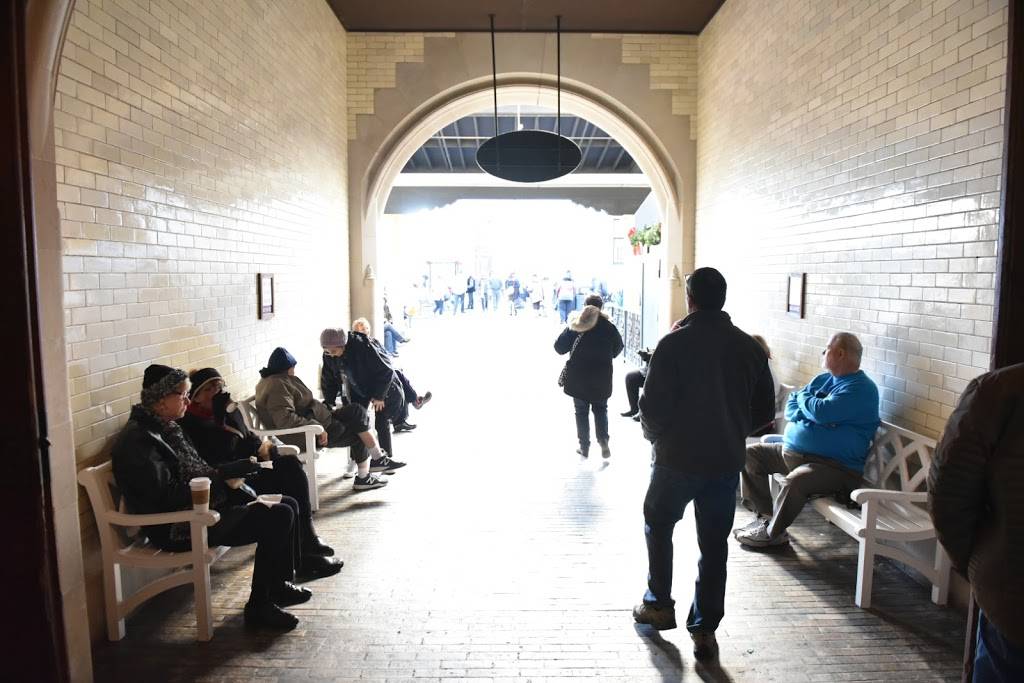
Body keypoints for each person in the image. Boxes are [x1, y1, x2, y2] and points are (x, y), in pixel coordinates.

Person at [632, 267, 775, 663]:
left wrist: (654, 437)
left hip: (675, 459)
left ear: (690, 299)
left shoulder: (673, 344)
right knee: (713, 546)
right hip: (724, 461)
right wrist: (733, 429)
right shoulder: (749, 348)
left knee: (658, 525)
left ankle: (658, 604)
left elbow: (652, 407)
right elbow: (765, 411)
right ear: (723, 299)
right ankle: (705, 629)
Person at [112, 364, 309, 630]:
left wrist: (228, 472)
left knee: (287, 503)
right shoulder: (140, 442)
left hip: (199, 509)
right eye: (182, 395)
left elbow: (198, 471)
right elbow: (164, 497)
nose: (187, 400)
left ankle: (278, 585)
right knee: (278, 515)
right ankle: (259, 606)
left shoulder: (165, 427)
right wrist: (222, 476)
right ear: (160, 399)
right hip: (178, 526)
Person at [179, 367, 343, 579]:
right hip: (230, 484)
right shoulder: (190, 423)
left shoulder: (228, 412)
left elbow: (250, 440)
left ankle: (308, 538)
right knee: (284, 495)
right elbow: (215, 458)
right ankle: (303, 556)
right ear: (196, 397)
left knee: (290, 465)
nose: (217, 392)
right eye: (209, 389)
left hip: (248, 470)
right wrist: (221, 423)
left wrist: (262, 449)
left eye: (219, 386)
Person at [734, 332, 880, 549]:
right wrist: (811, 411)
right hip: (795, 454)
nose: (823, 352)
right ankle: (765, 519)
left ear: (840, 353)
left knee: (796, 481)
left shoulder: (861, 389)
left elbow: (821, 412)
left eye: (827, 348)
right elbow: (792, 409)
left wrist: (805, 400)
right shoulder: (823, 379)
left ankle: (774, 534)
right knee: (749, 455)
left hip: (835, 467)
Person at [929, 363, 1024, 682]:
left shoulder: (1001, 389)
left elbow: (948, 493)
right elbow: (951, 491)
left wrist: (978, 562)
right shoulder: (1001, 392)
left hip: (1012, 600)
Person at [254, 347, 392, 490]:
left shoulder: (276, 380)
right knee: (359, 433)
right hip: (311, 432)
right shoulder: (277, 386)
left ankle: (377, 459)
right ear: (286, 368)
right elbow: (285, 420)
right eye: (292, 367)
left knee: (356, 410)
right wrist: (318, 428)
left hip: (321, 419)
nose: (294, 370)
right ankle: (364, 477)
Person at [320, 328, 410, 473]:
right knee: (357, 421)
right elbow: (328, 379)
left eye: (334, 351)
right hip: (357, 387)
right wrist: (329, 401)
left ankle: (384, 460)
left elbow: (386, 370)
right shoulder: (329, 354)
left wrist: (379, 396)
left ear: (344, 345)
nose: (331, 355)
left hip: (381, 385)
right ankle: (357, 460)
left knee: (382, 421)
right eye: (327, 352)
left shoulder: (363, 347)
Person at [554, 294, 624, 459]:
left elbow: (559, 347)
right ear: (601, 308)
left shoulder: (577, 324)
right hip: (602, 377)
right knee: (601, 409)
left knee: (581, 411)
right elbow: (618, 348)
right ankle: (603, 441)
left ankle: (584, 447)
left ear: (584, 306)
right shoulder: (609, 327)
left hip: (578, 379)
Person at [350, 318, 432, 432]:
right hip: (374, 379)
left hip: (383, 373)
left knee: (398, 376)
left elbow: (385, 357)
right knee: (396, 377)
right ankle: (414, 402)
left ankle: (405, 414)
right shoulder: (362, 347)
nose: (366, 331)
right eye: (362, 329)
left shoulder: (373, 341)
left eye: (367, 328)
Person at [620, 348, 652, 420]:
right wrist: (647, 355)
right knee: (630, 377)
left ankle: (644, 413)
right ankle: (634, 409)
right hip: (651, 370)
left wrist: (649, 355)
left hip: (662, 374)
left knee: (652, 381)